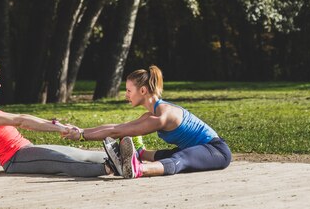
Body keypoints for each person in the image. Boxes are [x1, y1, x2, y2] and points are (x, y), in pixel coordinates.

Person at [0, 56, 124, 177]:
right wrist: (57, 127)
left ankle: (125, 158)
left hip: (26, 149)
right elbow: (21, 120)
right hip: (14, 159)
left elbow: (22, 117)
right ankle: (112, 167)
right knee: (65, 162)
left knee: (81, 154)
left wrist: (58, 125)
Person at [64, 65, 231, 179]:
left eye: (129, 91)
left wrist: (82, 136)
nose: (126, 95)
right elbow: (118, 127)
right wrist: (81, 130)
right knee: (170, 154)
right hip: (195, 149)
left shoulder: (163, 116)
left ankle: (138, 168)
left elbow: (117, 132)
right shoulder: (150, 114)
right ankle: (139, 153)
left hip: (217, 151)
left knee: (182, 158)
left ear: (142, 90)